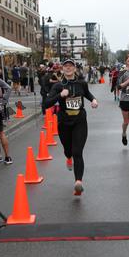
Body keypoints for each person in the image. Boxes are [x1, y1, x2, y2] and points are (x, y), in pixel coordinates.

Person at [45, 59, 98, 195]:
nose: (68, 68)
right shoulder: (58, 86)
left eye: (71, 66)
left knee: (77, 152)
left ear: (74, 69)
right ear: (62, 69)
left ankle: (78, 182)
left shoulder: (82, 83)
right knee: (68, 150)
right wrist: (59, 95)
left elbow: (87, 94)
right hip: (64, 121)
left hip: (79, 120)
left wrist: (93, 100)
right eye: (66, 66)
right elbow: (46, 103)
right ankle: (68, 157)